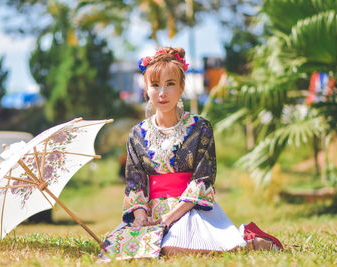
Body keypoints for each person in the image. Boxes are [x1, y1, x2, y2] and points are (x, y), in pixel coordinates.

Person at [114, 47, 283, 256]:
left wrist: (169, 218)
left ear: (182, 86)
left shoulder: (200, 128)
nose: (162, 92)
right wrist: (140, 217)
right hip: (151, 212)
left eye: (170, 84)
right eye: (155, 85)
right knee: (122, 249)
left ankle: (250, 240)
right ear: (146, 89)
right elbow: (134, 183)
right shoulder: (136, 134)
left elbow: (203, 179)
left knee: (171, 248)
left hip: (189, 209)